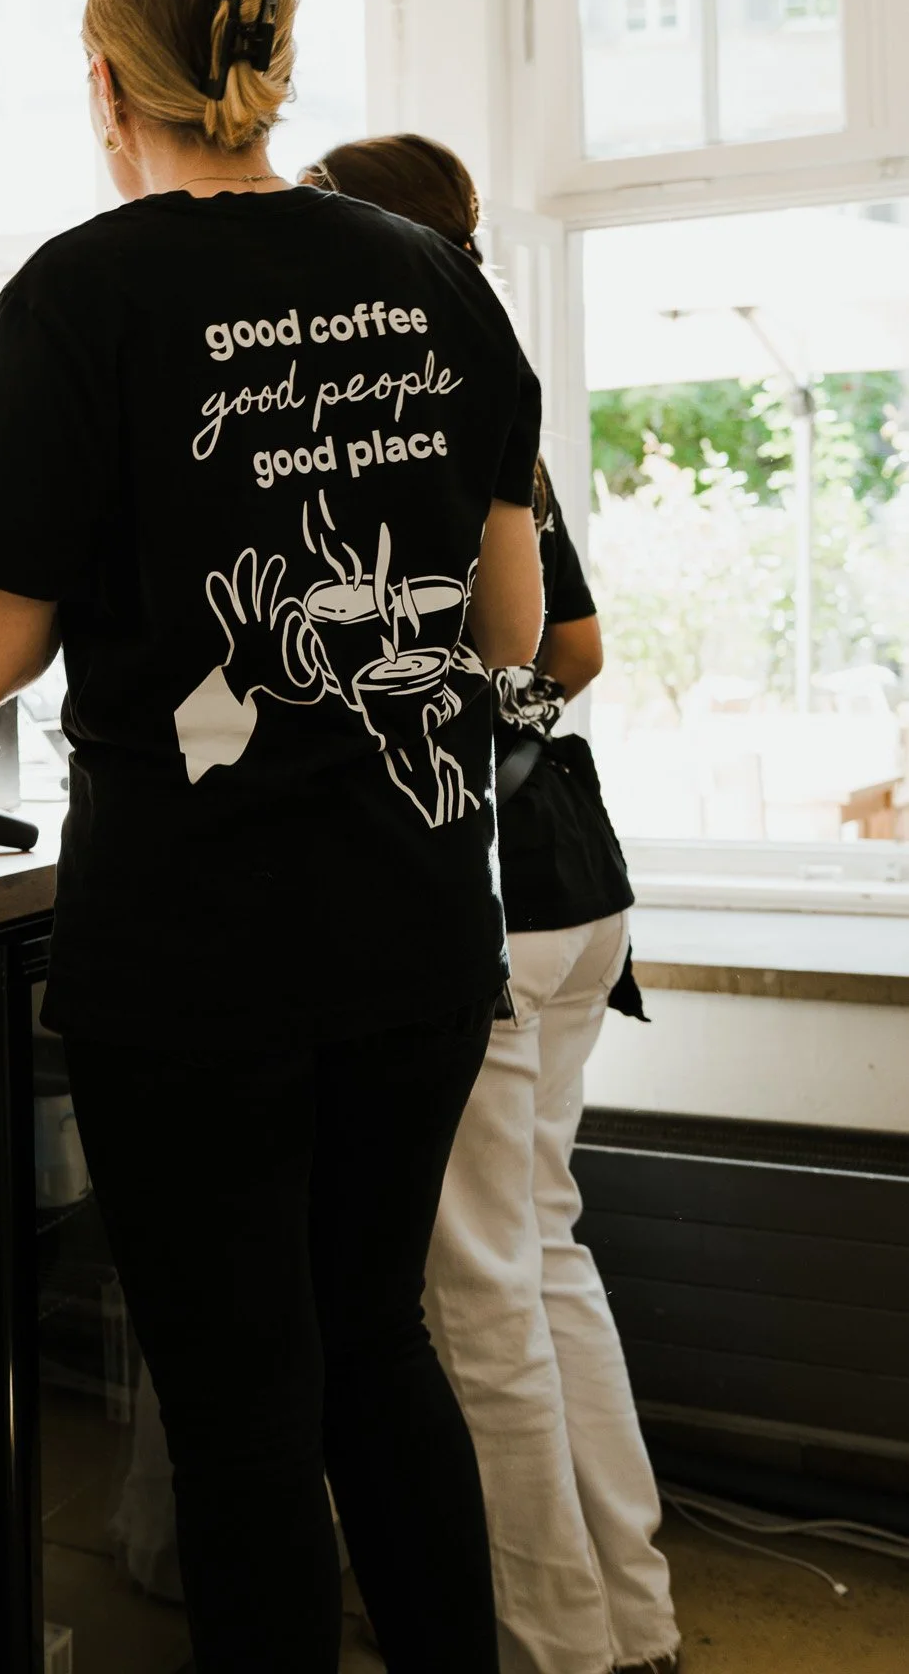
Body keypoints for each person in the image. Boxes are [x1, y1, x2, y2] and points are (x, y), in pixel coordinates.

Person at [0, 0, 545, 1674]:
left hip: (194, 945)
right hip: (417, 923)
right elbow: (507, 627)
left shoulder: (80, 292)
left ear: (106, 83)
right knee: (377, 1350)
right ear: (268, 62)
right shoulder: (430, 276)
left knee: (242, 1414)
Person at [305, 134, 681, 1674]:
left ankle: (554, 1648)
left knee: (472, 1298)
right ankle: (635, 1622)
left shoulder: (385, 417)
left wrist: (435, 705)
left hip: (490, 887)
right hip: (577, 875)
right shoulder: (489, 398)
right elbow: (569, 647)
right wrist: (495, 692)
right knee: (544, 1251)